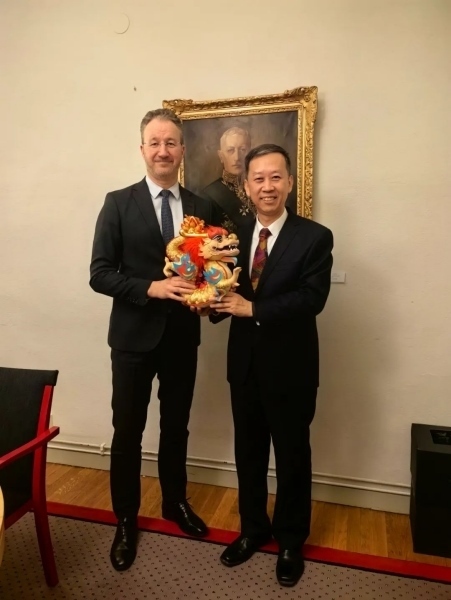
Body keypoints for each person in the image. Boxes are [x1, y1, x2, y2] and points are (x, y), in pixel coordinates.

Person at [89, 108, 222, 572]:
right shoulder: (117, 203)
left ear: (182, 150)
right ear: (142, 149)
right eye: (154, 142)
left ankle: (174, 502)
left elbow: (213, 271)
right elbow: (99, 273)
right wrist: (151, 287)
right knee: (127, 431)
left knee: (176, 426)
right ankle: (126, 519)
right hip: (131, 340)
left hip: (182, 338)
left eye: (171, 143)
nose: (163, 151)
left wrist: (209, 300)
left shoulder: (203, 207)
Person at [210, 143, 333, 587]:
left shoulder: (314, 237)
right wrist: (208, 303)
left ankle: (290, 541)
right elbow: (225, 292)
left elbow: (312, 299)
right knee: (249, 454)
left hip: (291, 369)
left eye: (276, 177)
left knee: (292, 457)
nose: (267, 186)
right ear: (246, 186)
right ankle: (253, 530)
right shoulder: (232, 236)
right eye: (258, 178)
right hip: (244, 367)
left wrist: (253, 309)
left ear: (290, 182)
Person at [201, 126, 254, 232]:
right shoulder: (208, 196)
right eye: (230, 150)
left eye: (243, 150)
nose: (237, 157)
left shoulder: (259, 187)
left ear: (250, 154)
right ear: (221, 156)